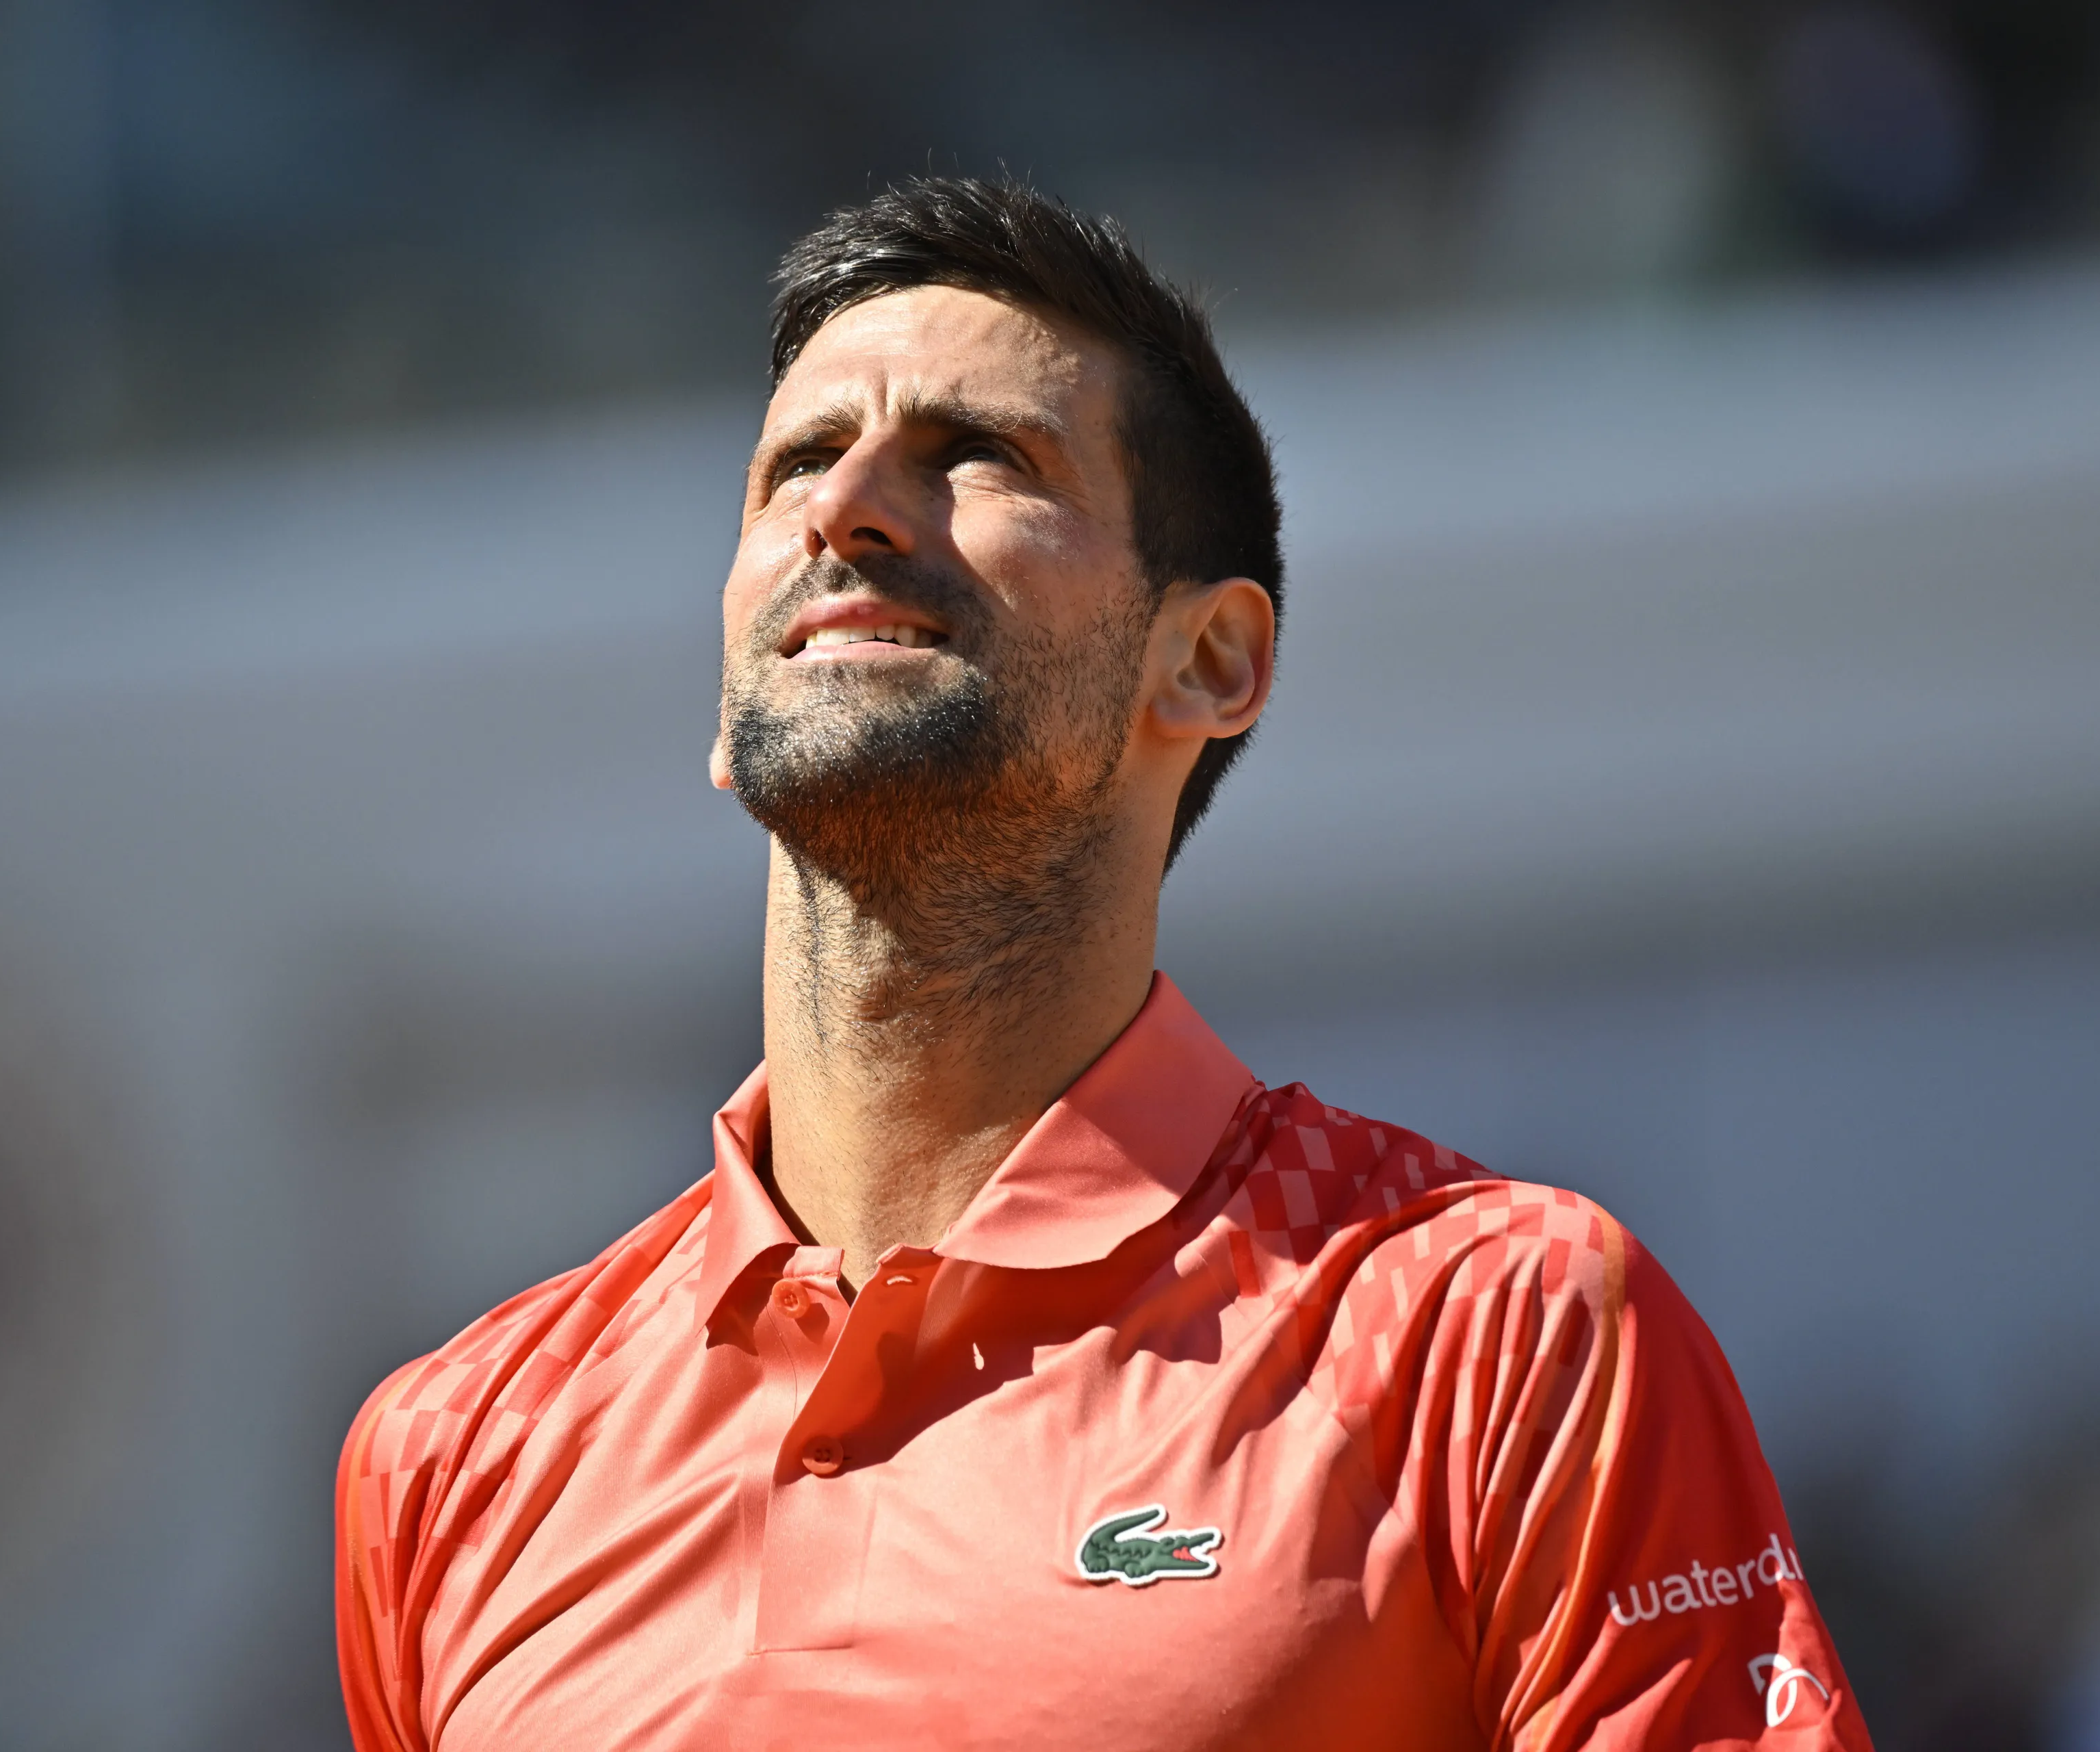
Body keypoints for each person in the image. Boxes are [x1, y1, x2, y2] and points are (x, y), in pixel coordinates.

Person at [335, 177, 1872, 1751]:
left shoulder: (1494, 1329)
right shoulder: (454, 1450)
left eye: (978, 454)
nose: (844, 506)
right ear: (732, 704)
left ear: (1208, 658)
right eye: (799, 460)